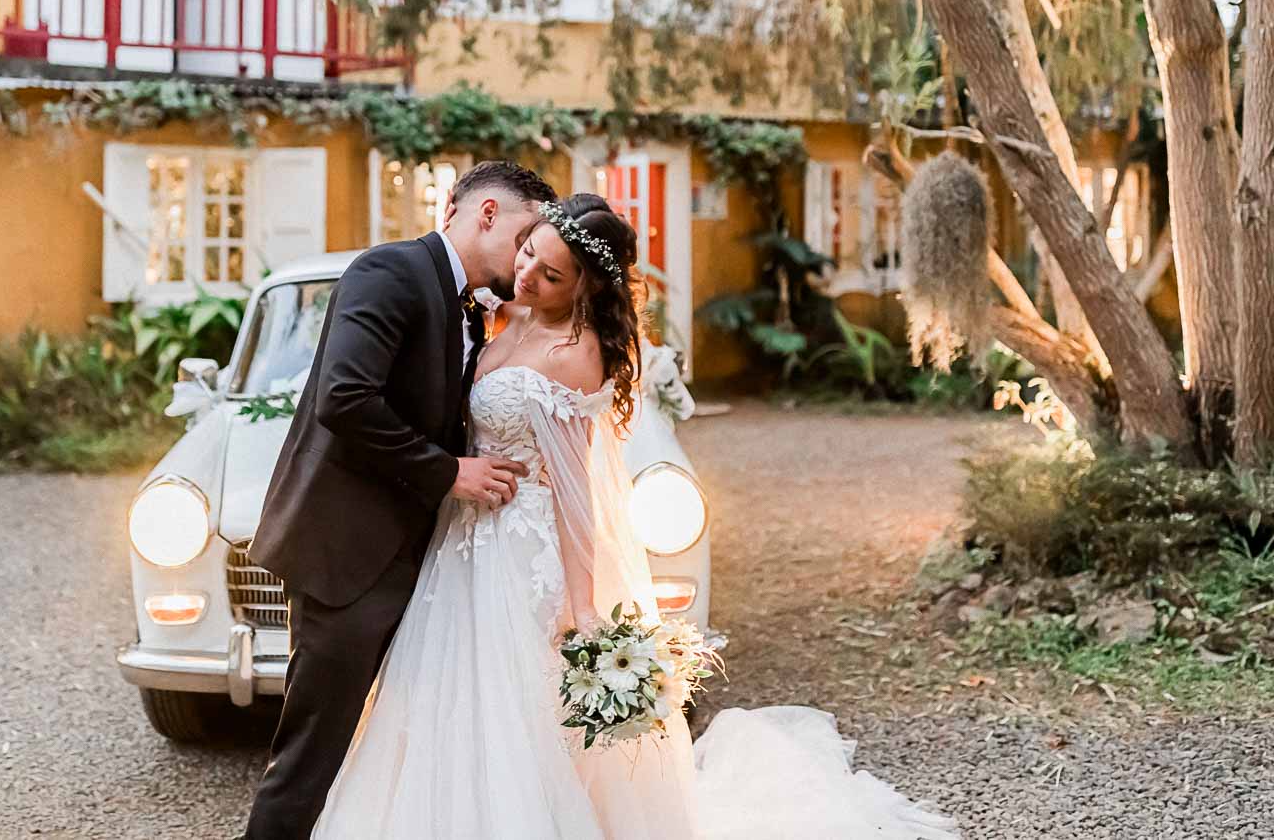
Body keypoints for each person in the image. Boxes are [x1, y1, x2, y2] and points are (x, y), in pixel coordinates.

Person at [305, 193, 962, 840]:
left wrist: (585, 610)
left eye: (552, 275)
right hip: (462, 544)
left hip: (520, 559)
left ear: (586, 291)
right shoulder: (508, 314)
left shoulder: (574, 352)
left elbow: (576, 493)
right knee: (444, 714)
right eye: (529, 253)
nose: (529, 273)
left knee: (516, 720)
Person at [242, 160, 558, 840]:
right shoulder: (390, 271)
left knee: (408, 755)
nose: (528, 257)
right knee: (311, 759)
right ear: (487, 214)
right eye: (526, 237)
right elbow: (345, 397)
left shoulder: (474, 306)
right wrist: (449, 472)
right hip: (349, 559)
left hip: (424, 569)